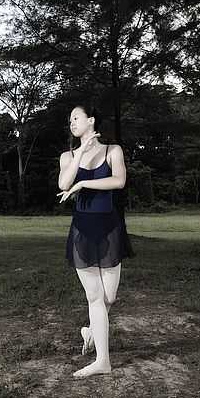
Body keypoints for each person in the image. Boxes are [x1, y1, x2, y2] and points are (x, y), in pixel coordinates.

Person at [57, 105, 134, 377]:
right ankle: (103, 361)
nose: (71, 122)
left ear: (91, 120)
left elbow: (119, 181)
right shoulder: (68, 155)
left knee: (109, 297)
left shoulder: (113, 150)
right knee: (95, 297)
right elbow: (64, 184)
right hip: (83, 229)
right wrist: (80, 153)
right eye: (70, 120)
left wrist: (84, 184)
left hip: (110, 228)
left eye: (75, 117)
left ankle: (91, 330)